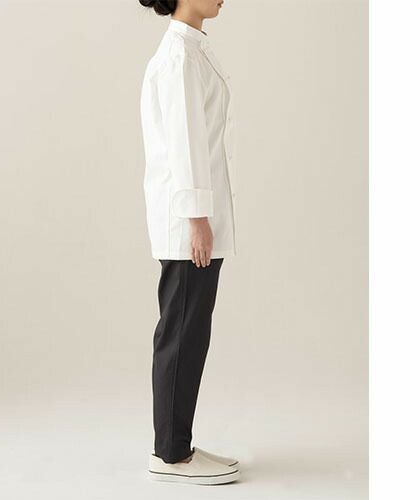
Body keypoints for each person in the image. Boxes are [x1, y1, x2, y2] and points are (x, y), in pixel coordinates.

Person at [139, 0, 239, 485]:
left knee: (190, 333)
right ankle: (171, 455)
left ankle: (178, 444)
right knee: (181, 334)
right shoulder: (179, 56)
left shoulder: (191, 49)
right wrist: (198, 217)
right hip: (188, 222)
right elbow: (185, 142)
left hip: (196, 217)